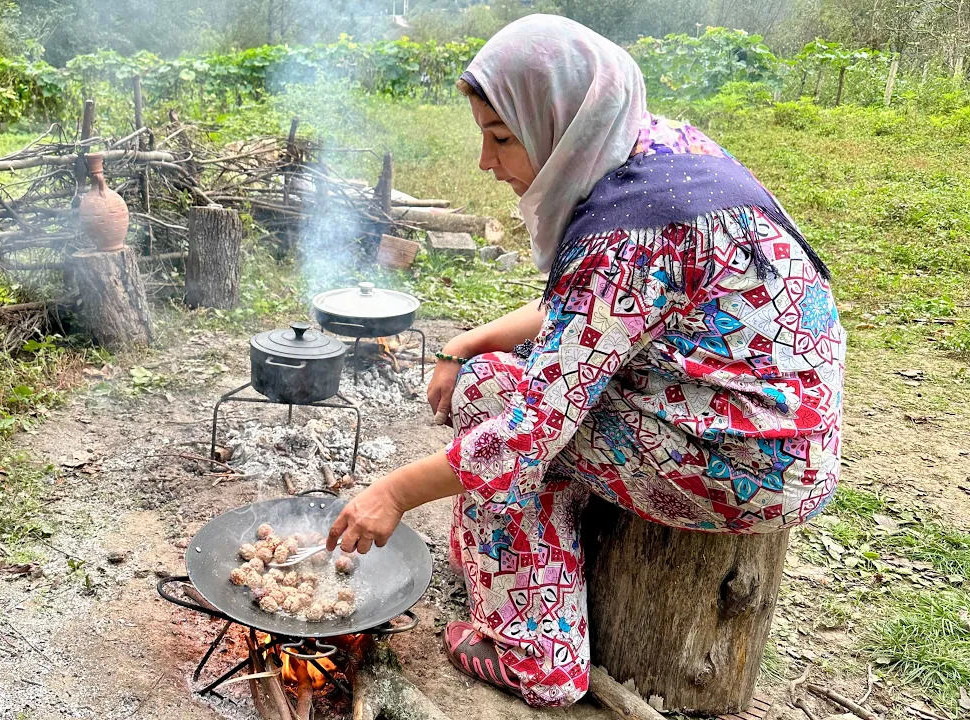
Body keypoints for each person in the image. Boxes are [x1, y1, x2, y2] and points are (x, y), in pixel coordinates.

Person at [324, 14, 844, 708]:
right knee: (505, 382)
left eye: (501, 137)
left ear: (561, 122)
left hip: (743, 463)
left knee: (496, 408)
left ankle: (535, 655)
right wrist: (467, 338)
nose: (487, 161)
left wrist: (390, 493)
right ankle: (522, 560)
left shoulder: (628, 229)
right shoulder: (659, 153)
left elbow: (525, 433)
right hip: (785, 431)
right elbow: (598, 315)